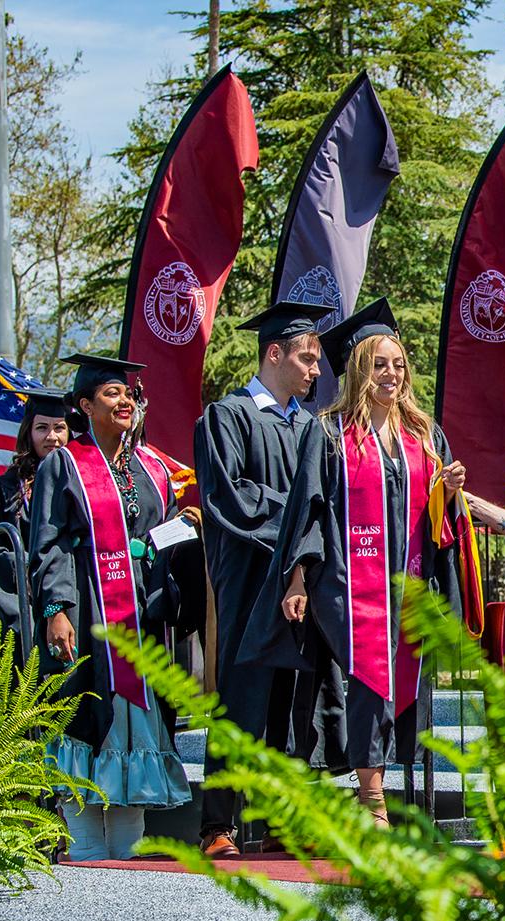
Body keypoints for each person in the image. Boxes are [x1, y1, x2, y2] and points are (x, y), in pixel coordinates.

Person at [241, 298, 479, 826]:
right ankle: (372, 802)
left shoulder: (424, 434)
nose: (391, 374)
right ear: (357, 369)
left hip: (411, 577)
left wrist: (449, 490)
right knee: (371, 677)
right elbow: (308, 506)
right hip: (347, 581)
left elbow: (436, 517)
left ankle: (402, 793)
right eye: (379, 364)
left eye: (397, 364)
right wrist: (298, 577)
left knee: (406, 680)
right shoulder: (327, 434)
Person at [31, 353, 194, 861]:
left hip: (140, 619)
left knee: (135, 729)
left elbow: (152, 535)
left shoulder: (151, 467)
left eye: (128, 394)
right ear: (85, 406)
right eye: (111, 394)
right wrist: (56, 607)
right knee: (87, 721)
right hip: (86, 613)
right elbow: (50, 542)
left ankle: (125, 862)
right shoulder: (64, 463)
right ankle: (82, 854)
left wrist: (179, 525)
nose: (125, 401)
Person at [193, 300, 331, 858]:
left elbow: (325, 501)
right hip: (251, 579)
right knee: (241, 695)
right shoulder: (226, 417)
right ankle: (216, 826)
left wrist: (308, 545)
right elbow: (232, 498)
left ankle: (279, 818)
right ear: (274, 354)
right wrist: (300, 520)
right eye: (307, 359)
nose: (316, 370)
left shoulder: (310, 428)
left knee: (288, 699)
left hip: (299, 581)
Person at [0, 388, 72, 633]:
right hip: (23, 604)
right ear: (28, 433)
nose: (52, 437)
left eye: (59, 428)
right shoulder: (4, 489)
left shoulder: (84, 483)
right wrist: (18, 565)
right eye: (42, 428)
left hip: (78, 595)